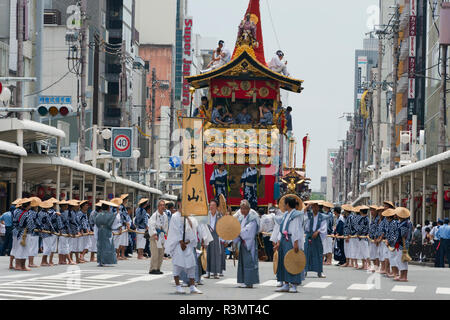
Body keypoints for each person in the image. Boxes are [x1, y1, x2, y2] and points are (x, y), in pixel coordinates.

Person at [165, 200, 203, 294]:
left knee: (191, 265)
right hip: (179, 244)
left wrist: (187, 217)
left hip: (188, 244)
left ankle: (192, 286)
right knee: (178, 265)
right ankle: (178, 286)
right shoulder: (175, 216)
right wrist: (181, 241)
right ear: (179, 204)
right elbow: (175, 230)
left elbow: (193, 228)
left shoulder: (190, 216)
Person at [271, 196, 306, 293]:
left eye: (284, 204)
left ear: (287, 204)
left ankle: (294, 284)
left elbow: (296, 230)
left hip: (290, 240)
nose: (283, 205)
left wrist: (295, 242)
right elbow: (281, 229)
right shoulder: (286, 214)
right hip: (283, 239)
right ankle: (286, 284)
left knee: (292, 261)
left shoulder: (295, 215)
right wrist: (278, 242)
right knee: (283, 261)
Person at [233, 200, 260, 288]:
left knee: (249, 261)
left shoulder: (253, 218)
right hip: (242, 242)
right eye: (241, 208)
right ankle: (244, 280)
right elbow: (238, 229)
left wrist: (238, 233)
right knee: (243, 262)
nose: (243, 210)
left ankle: (249, 282)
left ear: (249, 209)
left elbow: (248, 231)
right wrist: (233, 241)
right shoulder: (241, 218)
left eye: (245, 208)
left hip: (249, 243)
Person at [304, 201, 327, 278]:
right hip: (309, 235)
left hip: (317, 237)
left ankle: (320, 271)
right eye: (313, 206)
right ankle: (305, 271)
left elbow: (324, 227)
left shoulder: (322, 216)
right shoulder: (308, 215)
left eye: (316, 206)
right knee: (307, 253)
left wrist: (318, 231)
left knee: (319, 253)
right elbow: (303, 219)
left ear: (318, 207)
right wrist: (307, 206)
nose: (315, 208)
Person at [95, 201, 119, 267]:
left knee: (100, 245)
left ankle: (100, 261)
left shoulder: (98, 215)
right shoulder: (111, 215)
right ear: (108, 208)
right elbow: (114, 225)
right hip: (107, 231)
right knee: (107, 245)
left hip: (100, 231)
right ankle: (106, 261)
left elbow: (96, 224)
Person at [205, 200, 225, 279]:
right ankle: (208, 272)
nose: (211, 207)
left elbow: (223, 227)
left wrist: (223, 239)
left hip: (217, 236)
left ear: (216, 207)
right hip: (208, 235)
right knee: (208, 254)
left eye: (213, 205)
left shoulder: (219, 216)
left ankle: (216, 272)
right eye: (210, 205)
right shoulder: (207, 215)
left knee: (216, 254)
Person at [149, 200, 169, 274]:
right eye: (161, 205)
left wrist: (166, 234)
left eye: (164, 205)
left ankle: (158, 268)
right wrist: (154, 234)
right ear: (158, 206)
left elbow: (166, 226)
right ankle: (153, 268)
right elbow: (151, 225)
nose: (162, 206)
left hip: (162, 235)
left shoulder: (165, 216)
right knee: (155, 253)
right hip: (155, 235)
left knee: (161, 253)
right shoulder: (154, 215)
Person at [12, 199, 33, 271]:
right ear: (28, 205)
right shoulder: (28, 213)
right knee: (24, 249)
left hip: (17, 232)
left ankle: (18, 265)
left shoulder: (17, 212)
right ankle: (22, 266)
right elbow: (30, 225)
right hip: (25, 233)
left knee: (19, 249)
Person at [393, 207, 413, 281]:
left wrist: (395, 243)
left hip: (402, 243)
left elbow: (402, 235)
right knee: (402, 260)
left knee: (401, 260)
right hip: (405, 243)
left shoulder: (404, 224)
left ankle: (403, 276)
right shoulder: (408, 222)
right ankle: (403, 275)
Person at [38, 200, 57, 267]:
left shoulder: (40, 213)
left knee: (47, 246)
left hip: (43, 231)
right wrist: (53, 230)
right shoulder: (45, 214)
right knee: (48, 247)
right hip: (46, 231)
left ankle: (45, 261)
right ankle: (43, 261)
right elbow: (49, 223)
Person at [26, 197, 42, 269]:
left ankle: (30, 262)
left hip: (28, 232)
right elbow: (38, 223)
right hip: (34, 232)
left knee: (30, 247)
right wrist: (40, 228)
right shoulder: (35, 213)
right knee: (33, 248)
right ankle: (31, 263)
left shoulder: (27, 212)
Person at [58, 200, 74, 265]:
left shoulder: (64, 213)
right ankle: (69, 260)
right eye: (66, 205)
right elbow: (64, 224)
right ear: (63, 206)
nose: (67, 207)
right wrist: (68, 231)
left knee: (61, 247)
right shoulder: (62, 214)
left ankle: (61, 260)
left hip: (63, 231)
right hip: (64, 231)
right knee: (65, 246)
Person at [356, 206, 370, 270]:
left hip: (364, 237)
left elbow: (367, 228)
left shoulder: (366, 219)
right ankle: (363, 264)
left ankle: (368, 265)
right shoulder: (362, 218)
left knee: (366, 252)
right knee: (361, 252)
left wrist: (362, 233)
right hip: (360, 237)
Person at [368, 206, 381, 272]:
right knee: (372, 253)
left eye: (373, 210)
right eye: (371, 210)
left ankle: (377, 267)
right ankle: (375, 266)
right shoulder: (373, 218)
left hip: (375, 238)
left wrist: (377, 237)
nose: (372, 212)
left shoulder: (378, 219)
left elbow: (378, 229)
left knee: (376, 254)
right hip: (371, 238)